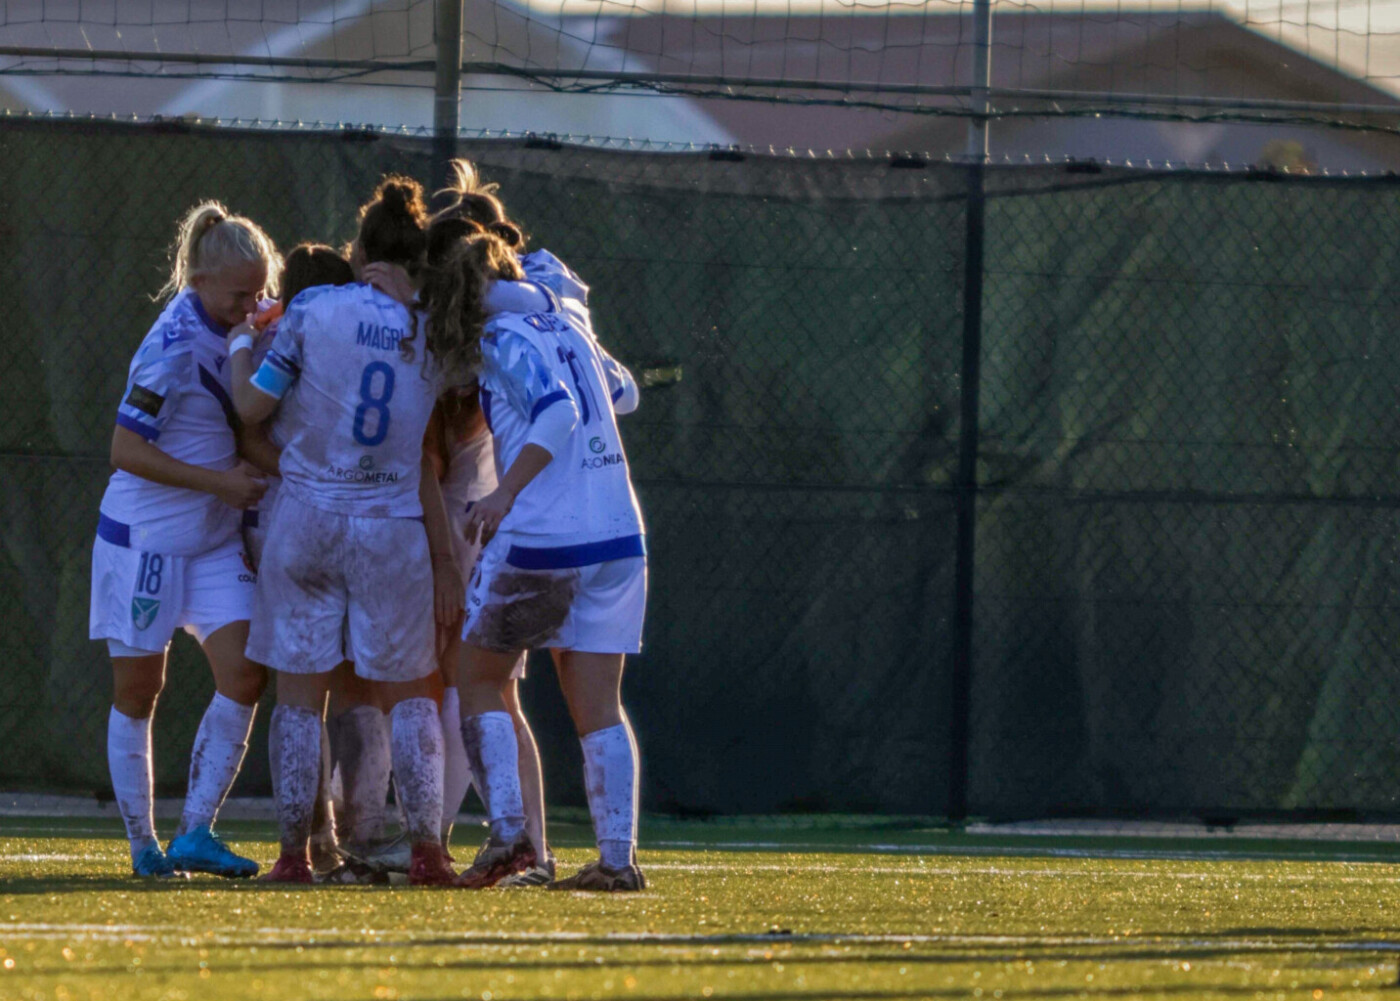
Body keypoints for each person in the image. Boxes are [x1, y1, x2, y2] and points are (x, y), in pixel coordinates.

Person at [228, 177, 463, 886]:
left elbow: (249, 407)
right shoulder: (435, 325)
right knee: (412, 694)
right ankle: (428, 852)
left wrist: (242, 341)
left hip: (307, 518)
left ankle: (296, 855)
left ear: (358, 250)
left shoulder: (314, 308)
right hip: (391, 525)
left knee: (299, 694)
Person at [420, 226, 648, 891]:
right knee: (600, 706)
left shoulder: (501, 340)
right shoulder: (567, 324)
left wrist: (503, 492)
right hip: (617, 535)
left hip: (547, 537)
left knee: (478, 676)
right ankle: (616, 861)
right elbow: (622, 393)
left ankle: (513, 838)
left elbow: (557, 413)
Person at [90, 202, 279, 878]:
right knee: (141, 688)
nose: (251, 304)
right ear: (199, 280)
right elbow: (123, 449)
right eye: (239, 294)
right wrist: (216, 482)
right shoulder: (168, 348)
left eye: (260, 290)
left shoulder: (249, 322)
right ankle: (143, 842)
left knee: (246, 671)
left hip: (212, 539)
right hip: (146, 541)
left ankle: (197, 828)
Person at [243, 243, 359, 878]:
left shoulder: (275, 335)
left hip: (286, 518)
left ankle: (318, 840)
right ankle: (332, 838)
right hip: (326, 513)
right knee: (336, 689)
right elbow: (249, 424)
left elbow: (247, 425)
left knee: (302, 690)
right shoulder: (332, 338)